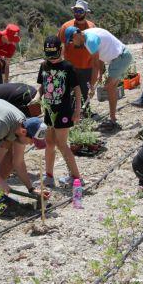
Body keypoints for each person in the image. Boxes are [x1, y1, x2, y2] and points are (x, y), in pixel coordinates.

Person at [32, 35, 82, 187]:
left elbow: (77, 89)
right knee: (49, 143)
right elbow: (42, 85)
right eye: (49, 56)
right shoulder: (44, 65)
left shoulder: (67, 67)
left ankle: (76, 177)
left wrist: (77, 110)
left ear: (61, 51)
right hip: (49, 111)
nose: (52, 59)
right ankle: (49, 176)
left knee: (62, 144)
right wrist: (36, 97)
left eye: (55, 56)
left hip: (64, 111)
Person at [65, 26, 133, 131]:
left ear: (75, 35)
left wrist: (91, 87)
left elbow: (95, 65)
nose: (72, 43)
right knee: (111, 87)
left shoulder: (90, 41)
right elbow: (100, 56)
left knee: (110, 87)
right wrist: (101, 73)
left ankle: (113, 119)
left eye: (71, 40)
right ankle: (113, 118)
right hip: (120, 57)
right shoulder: (87, 35)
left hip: (121, 58)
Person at [58, 0, 96, 115]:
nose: (77, 13)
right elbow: (60, 44)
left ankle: (86, 111)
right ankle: (69, 112)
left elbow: (96, 47)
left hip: (87, 66)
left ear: (85, 12)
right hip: (70, 66)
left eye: (80, 10)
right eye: (75, 10)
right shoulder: (66, 26)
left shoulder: (91, 27)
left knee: (85, 91)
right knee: (69, 91)